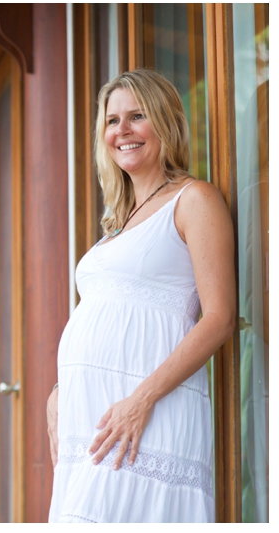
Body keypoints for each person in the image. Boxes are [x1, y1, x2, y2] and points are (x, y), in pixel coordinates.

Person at [47, 69, 236, 523]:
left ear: (167, 124)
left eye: (137, 116)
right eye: (112, 121)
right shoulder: (118, 221)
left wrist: (141, 400)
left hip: (148, 413)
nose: (122, 131)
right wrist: (59, 392)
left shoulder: (194, 200)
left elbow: (220, 318)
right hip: (93, 418)